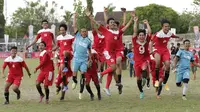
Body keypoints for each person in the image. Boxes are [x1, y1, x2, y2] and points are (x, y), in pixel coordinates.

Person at [86, 9, 134, 96]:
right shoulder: (106, 31)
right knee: (112, 69)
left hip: (118, 51)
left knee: (116, 64)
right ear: (108, 25)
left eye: (114, 22)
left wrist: (132, 18)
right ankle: (109, 85)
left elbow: (126, 26)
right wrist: (90, 16)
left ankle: (103, 76)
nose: (113, 23)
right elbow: (96, 23)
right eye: (111, 22)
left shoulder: (118, 31)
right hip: (109, 53)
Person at [150, 19, 182, 88]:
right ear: (162, 27)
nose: (167, 28)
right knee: (157, 62)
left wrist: (179, 37)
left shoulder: (169, 33)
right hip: (157, 49)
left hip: (165, 50)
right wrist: (150, 50)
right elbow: (151, 42)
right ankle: (156, 80)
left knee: (167, 65)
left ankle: (165, 81)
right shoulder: (158, 34)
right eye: (165, 26)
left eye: (168, 26)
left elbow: (173, 36)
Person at [72, 13, 92, 99]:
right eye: (82, 31)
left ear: (87, 32)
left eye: (85, 31)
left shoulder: (88, 41)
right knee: (74, 74)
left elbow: (89, 50)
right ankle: (74, 81)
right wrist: (75, 17)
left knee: (83, 75)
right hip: (76, 58)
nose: (84, 32)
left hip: (84, 60)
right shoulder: (78, 36)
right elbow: (74, 26)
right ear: (80, 32)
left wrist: (90, 59)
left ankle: (80, 92)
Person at [132, 16, 151, 99]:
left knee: (144, 68)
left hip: (144, 60)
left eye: (143, 35)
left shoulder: (146, 42)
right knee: (138, 78)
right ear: (138, 36)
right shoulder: (135, 42)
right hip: (137, 62)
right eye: (140, 35)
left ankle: (145, 79)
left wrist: (147, 24)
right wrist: (135, 21)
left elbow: (150, 32)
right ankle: (141, 91)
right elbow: (135, 31)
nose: (141, 36)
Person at [52, 23, 74, 93]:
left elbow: (75, 44)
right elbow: (57, 46)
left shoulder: (70, 37)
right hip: (62, 56)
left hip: (69, 54)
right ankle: (64, 85)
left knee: (65, 53)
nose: (62, 31)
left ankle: (65, 68)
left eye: (63, 30)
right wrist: (51, 50)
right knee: (62, 71)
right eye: (61, 30)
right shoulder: (58, 38)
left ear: (66, 30)